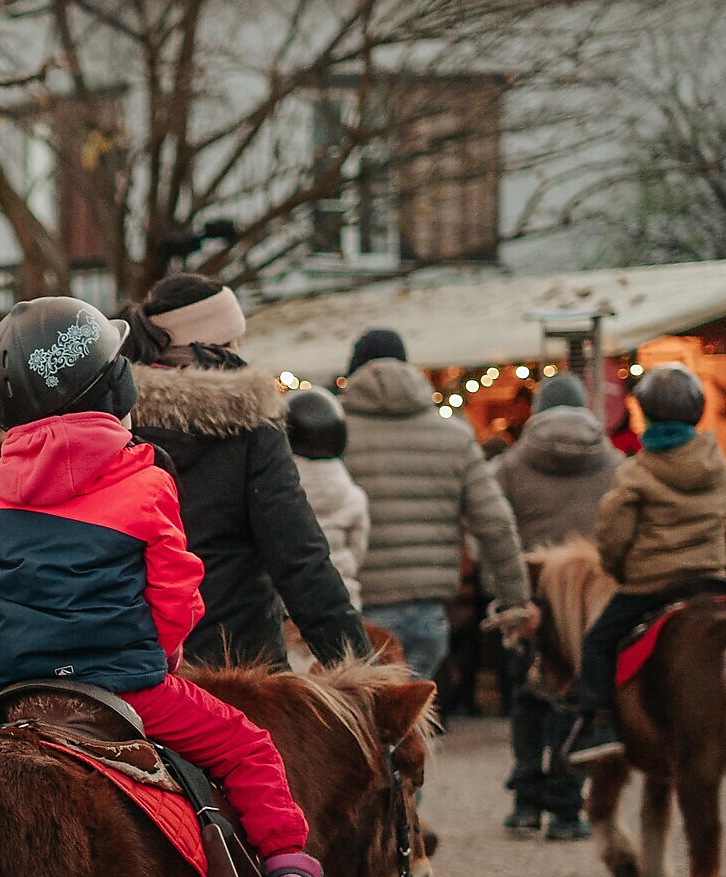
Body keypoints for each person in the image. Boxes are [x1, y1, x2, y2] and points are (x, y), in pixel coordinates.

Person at [0, 296, 325, 877]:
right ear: (114, 387)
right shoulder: (146, 480)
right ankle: (286, 873)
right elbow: (176, 590)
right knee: (247, 747)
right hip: (124, 686)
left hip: (17, 691)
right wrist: (160, 657)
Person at [121, 275, 369, 669]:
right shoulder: (250, 423)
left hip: (135, 666)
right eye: (234, 344)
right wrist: (358, 664)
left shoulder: (112, 420)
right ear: (211, 349)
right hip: (240, 667)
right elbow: (298, 557)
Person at [339, 327, 536, 680]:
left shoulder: (331, 437)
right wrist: (515, 600)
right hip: (427, 613)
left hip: (354, 612)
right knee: (414, 708)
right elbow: (494, 522)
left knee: (359, 712)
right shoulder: (454, 437)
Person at [567, 364, 726, 764]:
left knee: (597, 643)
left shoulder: (635, 471)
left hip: (652, 586)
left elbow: (614, 536)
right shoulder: (718, 464)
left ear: (646, 413)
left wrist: (619, 571)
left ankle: (599, 724)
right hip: (713, 580)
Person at [492, 373, 620, 836]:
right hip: (588, 599)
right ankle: (567, 808)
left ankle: (526, 803)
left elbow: (491, 532)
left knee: (527, 695)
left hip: (529, 595)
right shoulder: (615, 463)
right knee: (576, 694)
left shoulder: (509, 466)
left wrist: (503, 593)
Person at [285, 385, 369, 609]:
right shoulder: (353, 496)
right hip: (341, 600)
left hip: (289, 604)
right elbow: (358, 551)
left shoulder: (278, 492)